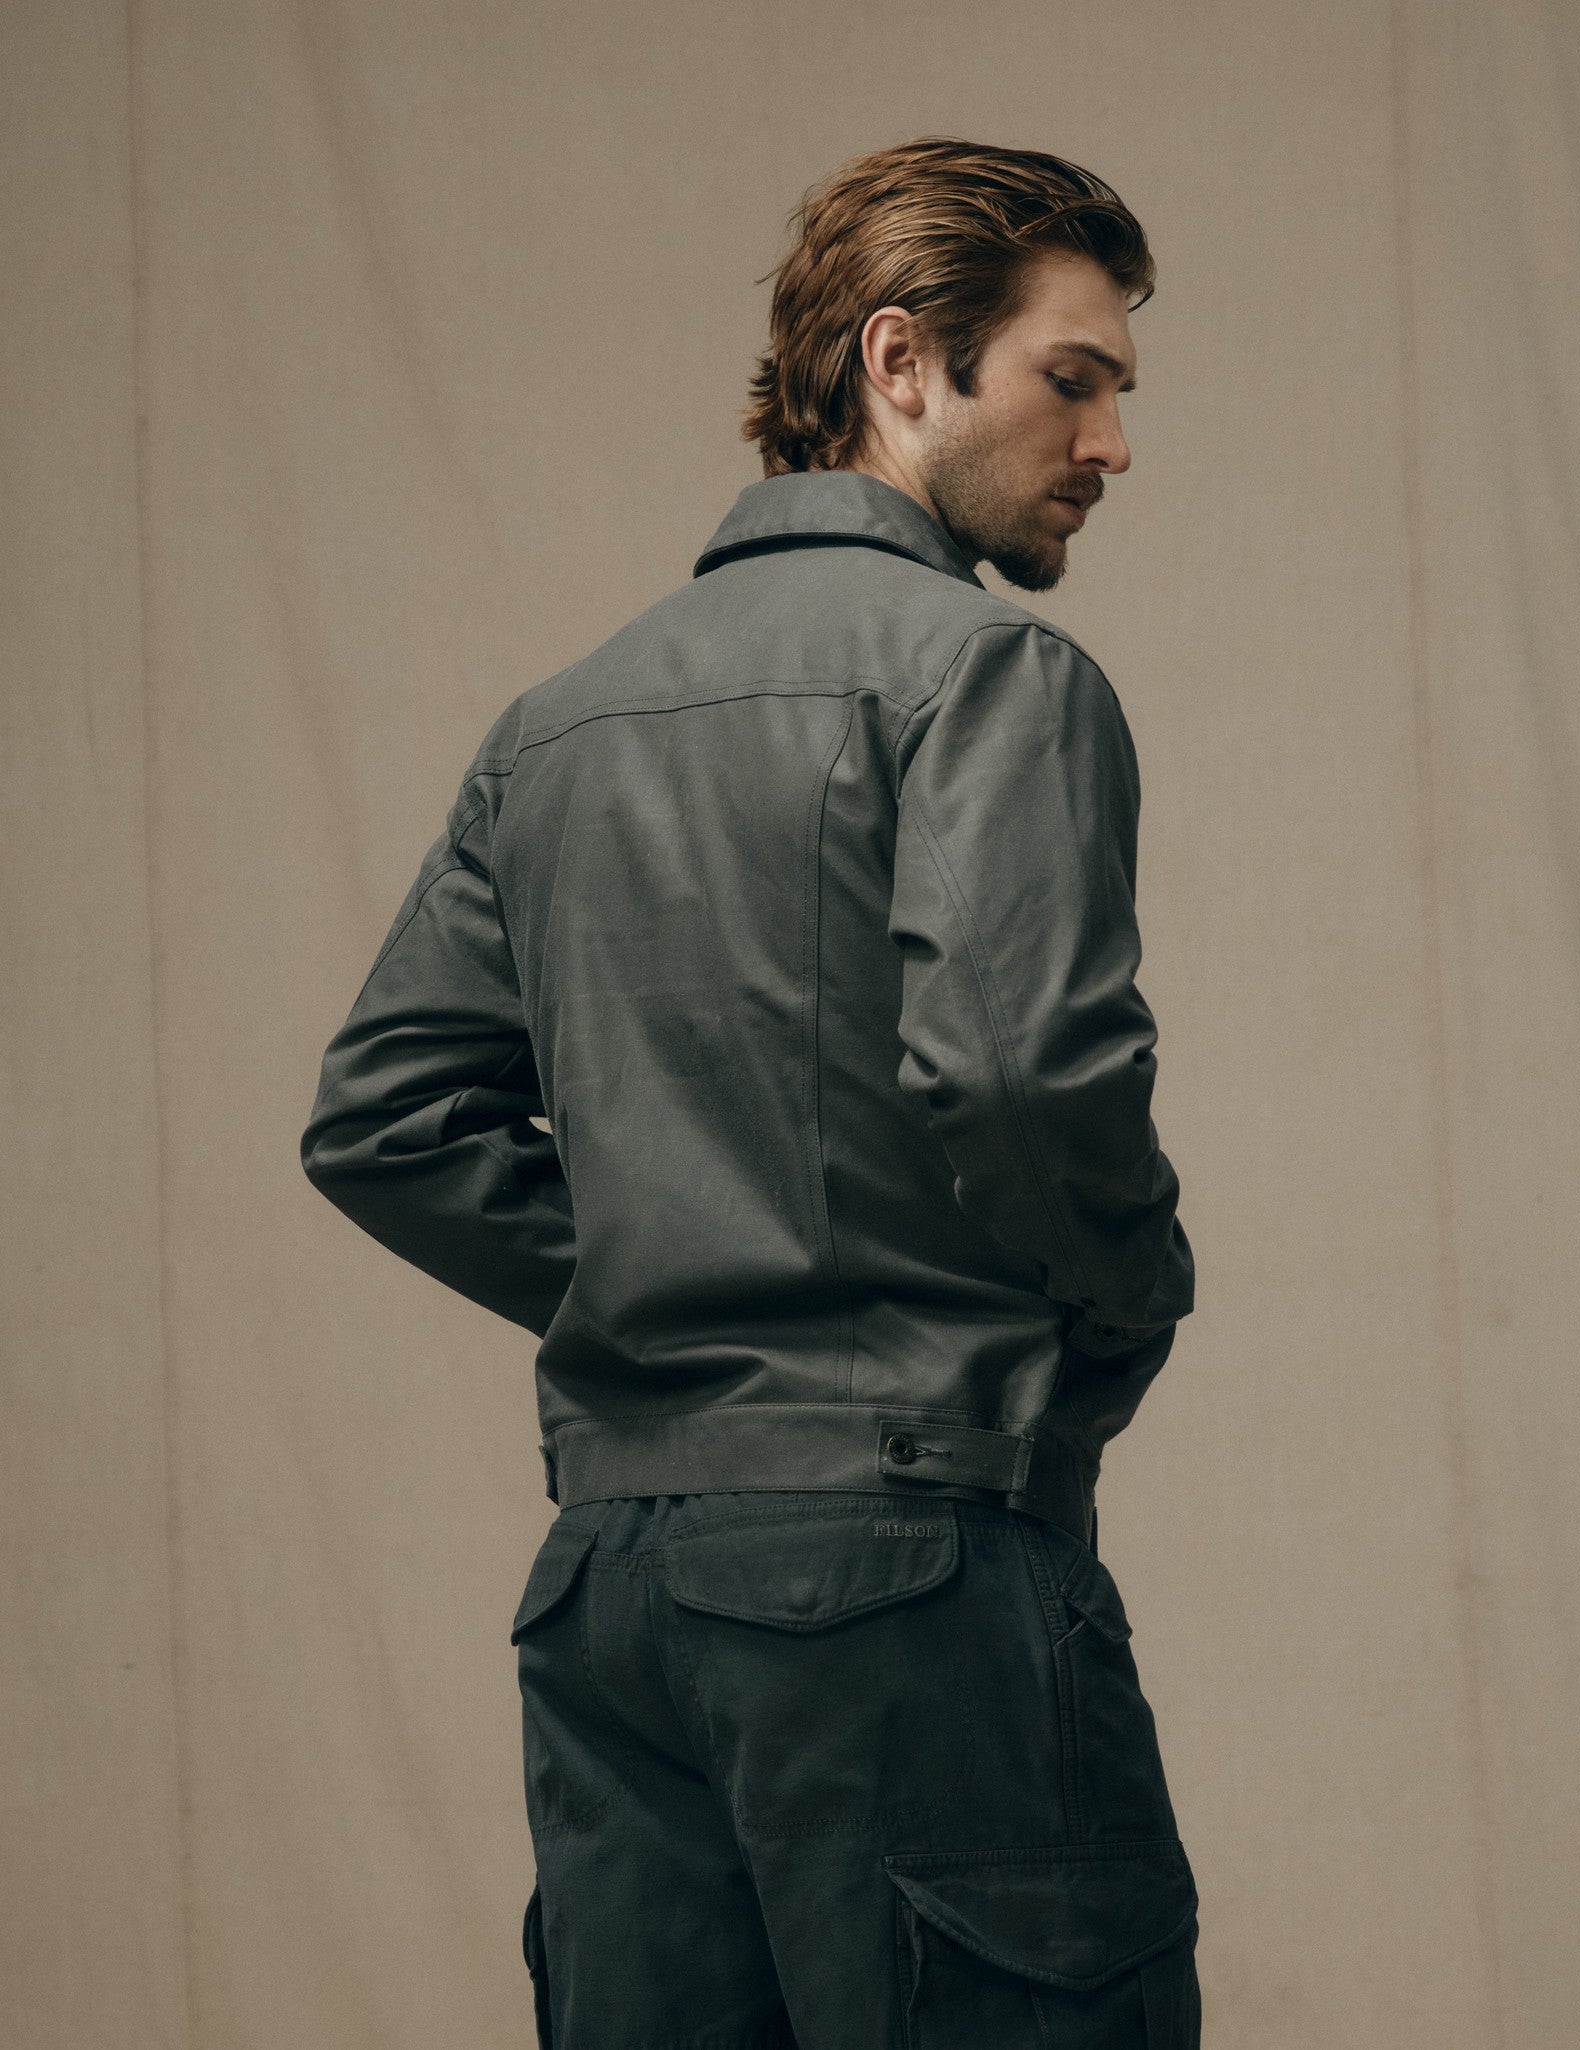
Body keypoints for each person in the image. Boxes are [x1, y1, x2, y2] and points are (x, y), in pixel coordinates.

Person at [301, 135, 1200, 2050]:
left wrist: (665, 1278)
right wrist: (1128, 1303)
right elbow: (1022, 1069)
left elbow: (385, 1116)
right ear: (901, 359)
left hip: (616, 1596)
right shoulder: (988, 677)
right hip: (908, 1571)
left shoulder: (557, 727)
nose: (1112, 442)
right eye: (1074, 378)